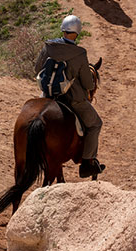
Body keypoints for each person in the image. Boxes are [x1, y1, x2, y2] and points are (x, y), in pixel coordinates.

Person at [34, 14, 105, 178]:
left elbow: (37, 69)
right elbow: (88, 84)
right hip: (73, 99)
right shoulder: (80, 53)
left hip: (48, 95)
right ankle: (87, 163)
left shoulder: (48, 46)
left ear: (62, 29)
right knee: (95, 125)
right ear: (77, 33)